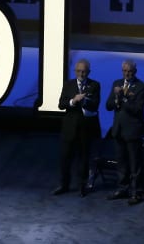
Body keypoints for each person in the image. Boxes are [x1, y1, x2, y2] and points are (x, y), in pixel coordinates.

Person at [52, 58, 101, 197]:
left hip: (85, 129)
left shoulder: (95, 85)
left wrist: (84, 100)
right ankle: (64, 185)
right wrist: (73, 101)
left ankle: (82, 186)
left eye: (84, 71)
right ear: (75, 71)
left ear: (88, 72)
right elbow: (61, 104)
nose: (81, 74)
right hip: (69, 129)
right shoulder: (68, 85)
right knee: (65, 158)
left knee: (84, 158)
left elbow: (95, 105)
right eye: (79, 71)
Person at [104, 59, 144, 205]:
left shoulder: (141, 87)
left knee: (135, 164)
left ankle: (137, 192)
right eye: (124, 71)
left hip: (133, 132)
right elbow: (108, 106)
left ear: (135, 71)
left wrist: (124, 97)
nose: (127, 74)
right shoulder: (116, 83)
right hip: (118, 130)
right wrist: (117, 98)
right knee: (121, 162)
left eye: (129, 71)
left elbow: (136, 109)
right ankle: (123, 188)